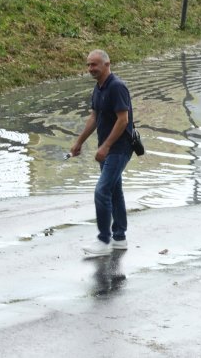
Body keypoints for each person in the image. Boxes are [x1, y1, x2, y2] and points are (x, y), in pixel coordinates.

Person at [70, 50, 134, 257]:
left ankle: (104, 239)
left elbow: (123, 120)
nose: (90, 69)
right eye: (88, 65)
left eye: (94, 65)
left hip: (119, 148)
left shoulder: (117, 87)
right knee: (114, 191)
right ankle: (120, 238)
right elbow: (94, 117)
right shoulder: (98, 88)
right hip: (106, 148)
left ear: (107, 64)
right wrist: (79, 142)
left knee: (102, 191)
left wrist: (105, 146)